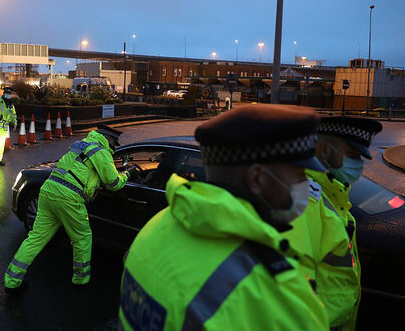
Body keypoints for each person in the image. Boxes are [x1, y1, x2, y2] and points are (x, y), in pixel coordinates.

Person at [119, 105, 329, 330]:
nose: (306, 185)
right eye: (299, 174)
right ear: (257, 179)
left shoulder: (161, 223)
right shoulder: (271, 291)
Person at [4, 124, 139, 293]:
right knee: (82, 238)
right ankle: (81, 281)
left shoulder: (80, 144)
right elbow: (114, 184)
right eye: (113, 144)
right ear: (109, 139)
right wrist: (129, 173)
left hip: (48, 191)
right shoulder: (101, 152)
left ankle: (11, 281)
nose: (113, 148)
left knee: (35, 239)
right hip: (69, 198)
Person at [284, 116, 382, 330]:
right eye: (353, 155)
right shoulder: (305, 203)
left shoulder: (333, 198)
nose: (358, 164)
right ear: (324, 150)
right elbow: (293, 291)